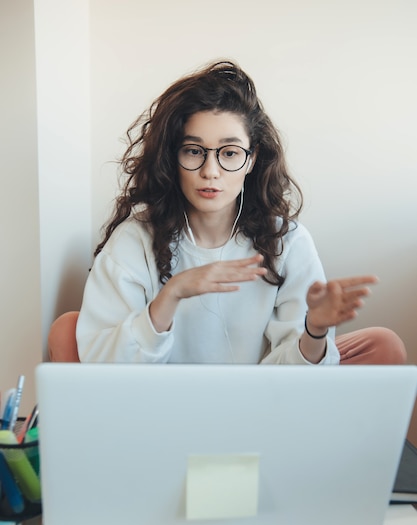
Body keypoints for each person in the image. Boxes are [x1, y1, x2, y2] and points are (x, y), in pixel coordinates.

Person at [59, 60, 406, 366]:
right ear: (172, 157)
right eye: (194, 151)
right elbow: (105, 366)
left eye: (229, 153)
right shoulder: (135, 240)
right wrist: (172, 294)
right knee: (66, 331)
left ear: (251, 159)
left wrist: (315, 329)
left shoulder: (286, 240)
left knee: (383, 346)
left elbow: (293, 379)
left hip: (260, 405)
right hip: (161, 407)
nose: (210, 171)